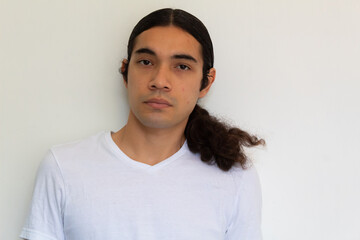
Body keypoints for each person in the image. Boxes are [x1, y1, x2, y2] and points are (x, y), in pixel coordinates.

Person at [20, 8, 265, 240]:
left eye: (182, 66)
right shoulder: (63, 167)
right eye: (146, 62)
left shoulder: (235, 178)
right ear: (126, 72)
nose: (160, 81)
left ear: (206, 81)